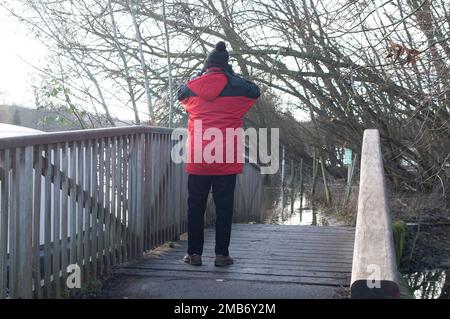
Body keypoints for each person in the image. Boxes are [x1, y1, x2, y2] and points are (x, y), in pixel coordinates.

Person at [177, 41, 260, 266]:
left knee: (196, 206)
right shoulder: (238, 88)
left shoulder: (192, 88)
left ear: (206, 66)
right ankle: (221, 255)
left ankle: (194, 254)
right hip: (226, 157)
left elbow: (179, 93)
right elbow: (255, 90)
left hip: (199, 157)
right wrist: (232, 76)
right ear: (226, 66)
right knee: (224, 207)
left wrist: (199, 74)